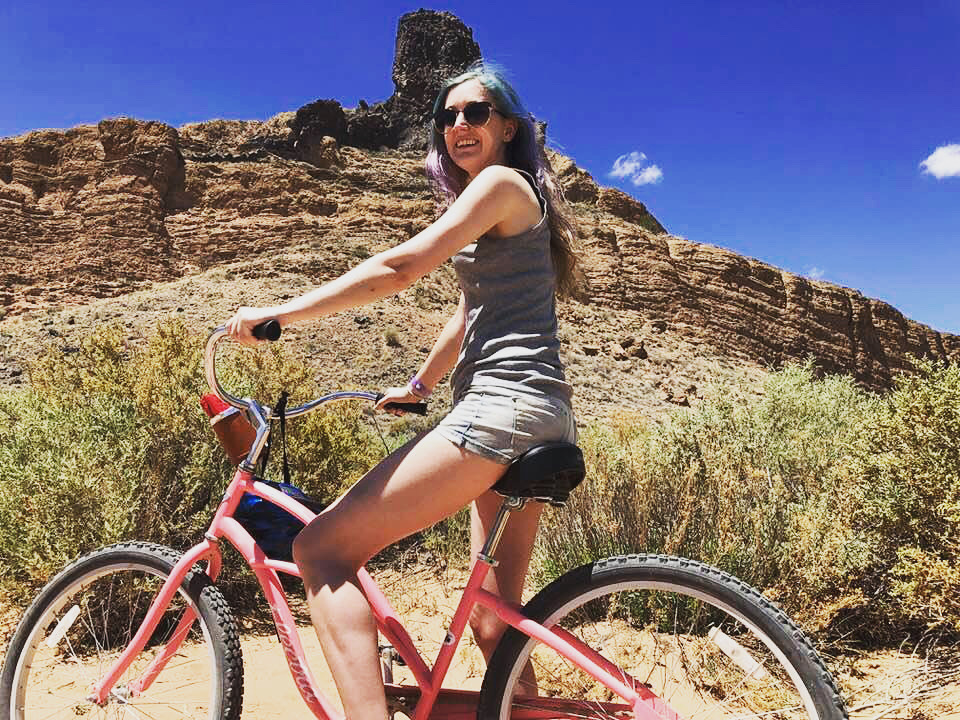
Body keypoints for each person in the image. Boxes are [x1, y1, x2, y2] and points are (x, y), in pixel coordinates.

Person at [225, 61, 579, 720]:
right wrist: (420, 386)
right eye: (447, 116)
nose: (459, 125)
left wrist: (280, 314)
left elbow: (400, 267)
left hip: (500, 414)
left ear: (506, 127)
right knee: (494, 625)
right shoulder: (507, 200)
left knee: (320, 549)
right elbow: (469, 313)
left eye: (475, 113)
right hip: (543, 413)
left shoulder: (501, 183)